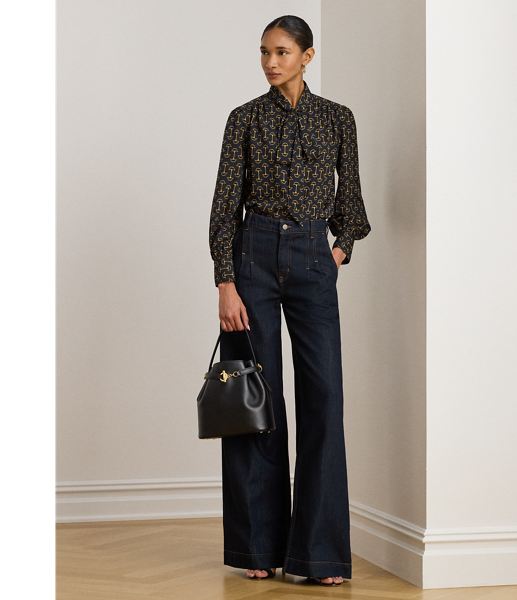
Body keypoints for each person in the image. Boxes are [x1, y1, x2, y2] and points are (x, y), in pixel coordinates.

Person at [208, 14, 371, 587]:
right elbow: (224, 205)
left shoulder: (338, 118)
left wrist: (339, 250)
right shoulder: (244, 119)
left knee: (324, 396)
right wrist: (226, 281)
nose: (270, 62)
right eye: (264, 52)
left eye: (281, 52)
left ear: (307, 56)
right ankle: (259, 545)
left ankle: (320, 554)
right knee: (257, 400)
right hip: (252, 258)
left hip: (311, 257)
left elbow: (351, 200)